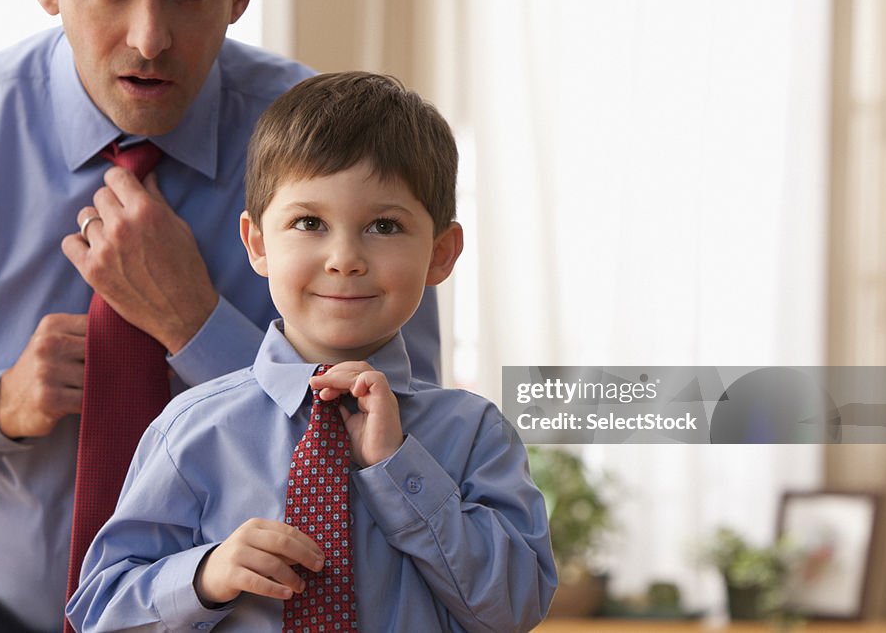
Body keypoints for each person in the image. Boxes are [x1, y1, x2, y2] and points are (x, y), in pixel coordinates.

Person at [0, 0, 440, 631]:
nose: (150, 38)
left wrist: (198, 326)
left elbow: (409, 445)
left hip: (244, 615)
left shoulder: (346, 148)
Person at [66, 72, 557, 632]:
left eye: (384, 225)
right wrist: (204, 576)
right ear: (257, 243)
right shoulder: (189, 432)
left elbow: (513, 609)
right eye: (309, 223)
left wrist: (400, 469)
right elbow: (100, 612)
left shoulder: (475, 435)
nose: (344, 258)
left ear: (441, 254)